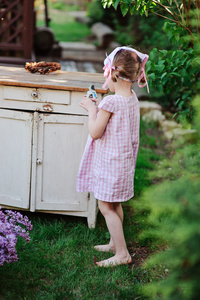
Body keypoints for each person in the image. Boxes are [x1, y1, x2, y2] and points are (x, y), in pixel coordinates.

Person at [76, 46, 149, 267]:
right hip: (124, 161)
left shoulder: (110, 102)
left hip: (110, 162)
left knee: (105, 207)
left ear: (114, 72)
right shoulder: (132, 98)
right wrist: (100, 109)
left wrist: (91, 109)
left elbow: (96, 132)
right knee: (115, 204)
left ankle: (123, 254)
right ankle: (114, 243)